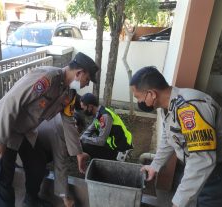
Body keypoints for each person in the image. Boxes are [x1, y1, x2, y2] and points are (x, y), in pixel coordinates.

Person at [0, 52, 99, 207]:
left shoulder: (69, 94)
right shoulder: (47, 78)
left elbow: (68, 122)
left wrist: (78, 153)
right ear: (79, 73)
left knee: (37, 162)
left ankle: (31, 199)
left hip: (23, 131)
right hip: (1, 126)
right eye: (87, 79)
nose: (86, 84)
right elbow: (12, 101)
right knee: (3, 178)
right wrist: (0, 138)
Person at [130, 66, 222, 207]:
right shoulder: (168, 107)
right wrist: (155, 165)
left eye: (138, 97)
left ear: (151, 94)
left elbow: (202, 160)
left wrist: (179, 202)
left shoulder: (188, 108)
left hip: (214, 172)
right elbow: (168, 138)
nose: (139, 102)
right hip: (194, 165)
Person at [19, 96, 89, 207]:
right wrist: (65, 198)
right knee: (38, 168)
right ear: (74, 126)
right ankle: (30, 199)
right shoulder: (60, 134)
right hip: (25, 146)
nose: (76, 136)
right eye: (77, 132)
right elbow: (60, 166)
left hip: (33, 141)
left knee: (43, 162)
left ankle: (38, 169)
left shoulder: (61, 118)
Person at [79, 93, 133, 160]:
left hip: (121, 149)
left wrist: (83, 139)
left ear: (90, 106)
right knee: (83, 143)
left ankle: (109, 161)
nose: (83, 110)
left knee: (85, 145)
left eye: (83, 108)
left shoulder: (105, 116)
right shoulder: (98, 114)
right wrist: (80, 139)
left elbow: (101, 141)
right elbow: (88, 132)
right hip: (112, 146)